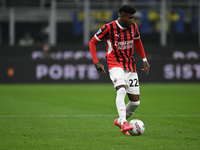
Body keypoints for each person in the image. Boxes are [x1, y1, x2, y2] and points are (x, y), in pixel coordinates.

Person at [89, 5, 150, 135]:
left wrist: (144, 60)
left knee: (135, 102)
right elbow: (92, 42)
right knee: (121, 89)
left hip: (130, 65)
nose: (132, 20)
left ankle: (120, 120)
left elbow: (138, 41)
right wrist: (96, 62)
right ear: (122, 16)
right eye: (130, 18)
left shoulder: (133, 27)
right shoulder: (108, 28)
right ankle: (124, 122)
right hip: (114, 63)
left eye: (133, 18)